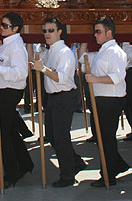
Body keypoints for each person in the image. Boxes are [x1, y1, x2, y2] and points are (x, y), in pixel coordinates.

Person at [32, 17, 86, 188]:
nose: (47, 34)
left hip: (64, 96)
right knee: (53, 136)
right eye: (45, 31)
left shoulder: (64, 52)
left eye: (51, 30)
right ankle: (75, 162)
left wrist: (44, 69)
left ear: (59, 32)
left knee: (61, 137)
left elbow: (61, 77)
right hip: (53, 97)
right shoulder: (50, 51)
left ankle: (68, 175)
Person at [0, 12, 34, 189]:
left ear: (15, 29)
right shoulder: (7, 45)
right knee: (9, 132)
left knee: (3, 134)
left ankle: (11, 174)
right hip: (2, 90)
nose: (2, 27)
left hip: (9, 91)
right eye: (2, 24)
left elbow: (21, 72)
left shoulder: (16, 47)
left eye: (6, 26)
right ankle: (24, 163)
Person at [84, 17, 129, 187]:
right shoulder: (104, 50)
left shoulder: (115, 52)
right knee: (102, 136)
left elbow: (117, 77)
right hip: (102, 98)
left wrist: (95, 79)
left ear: (109, 33)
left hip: (111, 99)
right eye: (95, 31)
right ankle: (117, 165)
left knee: (106, 138)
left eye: (98, 31)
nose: (95, 35)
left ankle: (108, 175)